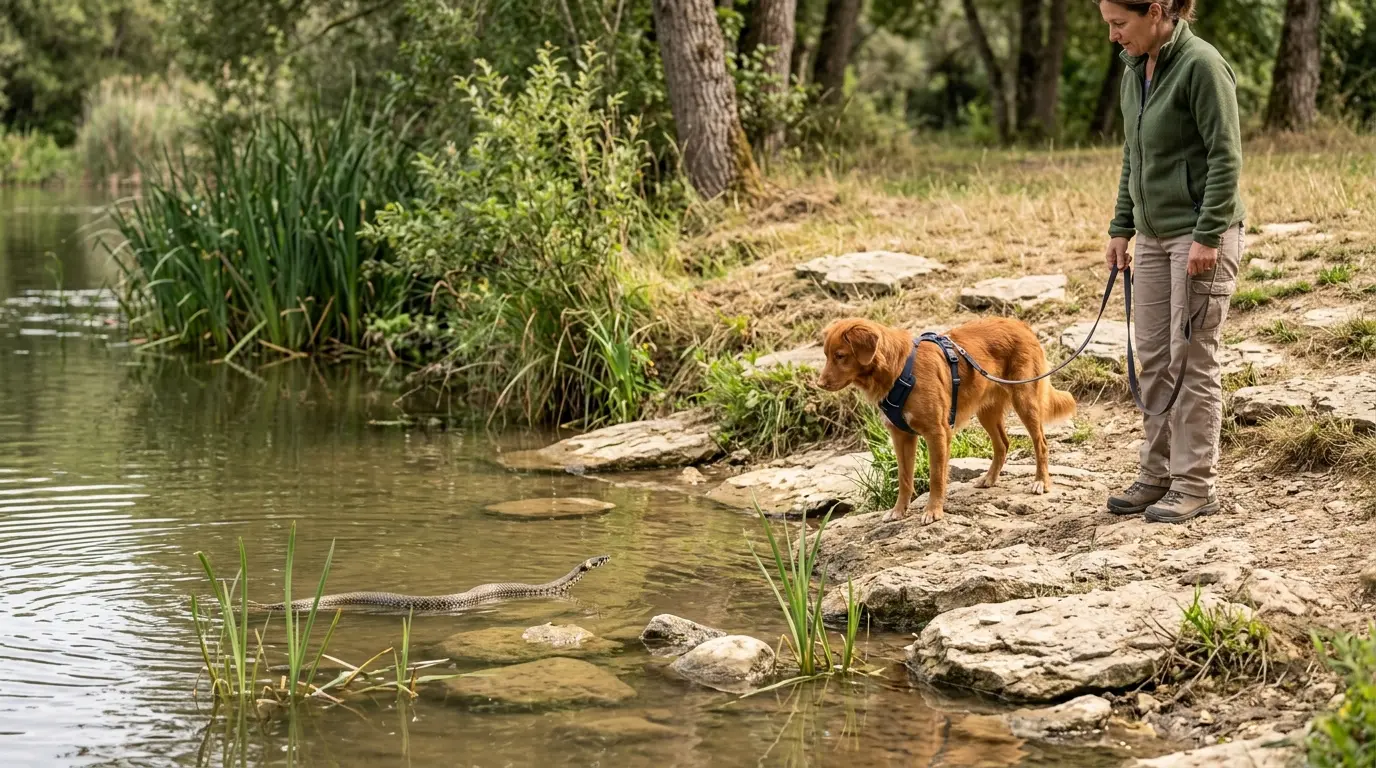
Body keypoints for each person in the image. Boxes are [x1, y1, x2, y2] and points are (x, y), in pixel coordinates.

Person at [1098, 0, 1246, 524]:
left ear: (1157, 11)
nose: (1115, 36)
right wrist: (1122, 226)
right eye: (1109, 25)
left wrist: (1208, 235)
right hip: (1154, 238)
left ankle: (1194, 484)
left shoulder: (1202, 65)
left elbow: (1226, 156)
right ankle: (1157, 473)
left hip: (1201, 237)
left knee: (1193, 359)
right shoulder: (1134, 69)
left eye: (1120, 24)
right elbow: (1132, 155)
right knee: (1155, 359)